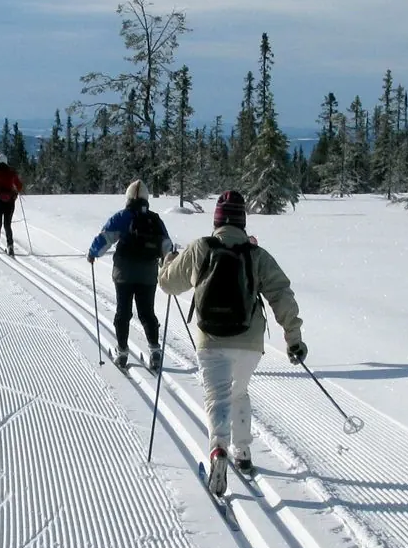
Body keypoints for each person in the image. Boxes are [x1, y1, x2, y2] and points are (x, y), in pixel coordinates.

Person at [158, 190, 306, 492]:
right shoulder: (257, 254)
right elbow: (281, 295)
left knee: (217, 398)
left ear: (217, 219)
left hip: (210, 339)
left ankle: (218, 450)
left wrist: (168, 261)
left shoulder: (201, 247)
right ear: (242, 221)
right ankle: (243, 452)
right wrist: (293, 338)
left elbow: (168, 285)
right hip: (249, 342)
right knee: (239, 392)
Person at [88, 180, 174, 372]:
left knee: (123, 312)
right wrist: (170, 265)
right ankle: (155, 351)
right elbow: (167, 246)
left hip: (124, 273)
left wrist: (93, 253)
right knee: (147, 312)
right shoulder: (155, 220)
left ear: (128, 198)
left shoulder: (122, 216)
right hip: (148, 274)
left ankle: (122, 353)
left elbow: (105, 238)